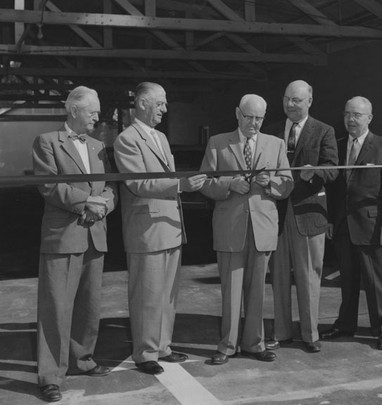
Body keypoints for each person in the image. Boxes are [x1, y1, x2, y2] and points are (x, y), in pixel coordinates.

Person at [113, 82, 206, 375]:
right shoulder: (127, 140)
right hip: (147, 228)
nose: (165, 110)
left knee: (167, 293)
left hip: (169, 224)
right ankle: (144, 352)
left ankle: (162, 346)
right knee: (147, 294)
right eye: (160, 104)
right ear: (142, 104)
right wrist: (181, 184)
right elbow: (138, 183)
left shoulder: (161, 139)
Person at [33, 86, 117, 403]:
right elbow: (50, 186)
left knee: (89, 305)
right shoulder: (46, 142)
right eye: (92, 111)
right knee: (55, 309)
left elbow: (110, 186)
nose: (97, 116)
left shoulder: (97, 146)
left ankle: (83, 359)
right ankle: (50, 375)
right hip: (63, 235)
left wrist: (105, 204)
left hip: (95, 232)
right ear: (73, 111)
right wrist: (87, 202)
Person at [199, 94, 293, 365]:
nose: (254, 123)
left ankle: (254, 343)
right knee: (231, 290)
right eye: (249, 117)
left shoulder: (276, 144)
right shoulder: (218, 142)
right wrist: (229, 184)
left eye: (260, 118)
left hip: (262, 227)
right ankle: (227, 346)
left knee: (257, 291)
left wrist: (269, 183)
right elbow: (205, 181)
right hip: (231, 227)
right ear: (237, 114)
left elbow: (287, 184)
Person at [321, 96, 382, 350]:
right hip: (344, 225)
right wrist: (331, 220)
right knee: (348, 280)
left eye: (357, 115)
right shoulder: (338, 145)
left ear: (369, 118)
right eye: (347, 114)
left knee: (378, 282)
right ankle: (345, 324)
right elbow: (334, 188)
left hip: (374, 226)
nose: (351, 119)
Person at [267, 80, 338, 353]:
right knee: (279, 276)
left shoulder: (324, 131)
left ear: (309, 101)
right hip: (277, 215)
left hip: (309, 215)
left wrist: (316, 171)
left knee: (309, 277)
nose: (290, 105)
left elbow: (334, 170)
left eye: (296, 100)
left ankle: (310, 335)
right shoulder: (271, 131)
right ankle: (282, 332)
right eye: (286, 99)